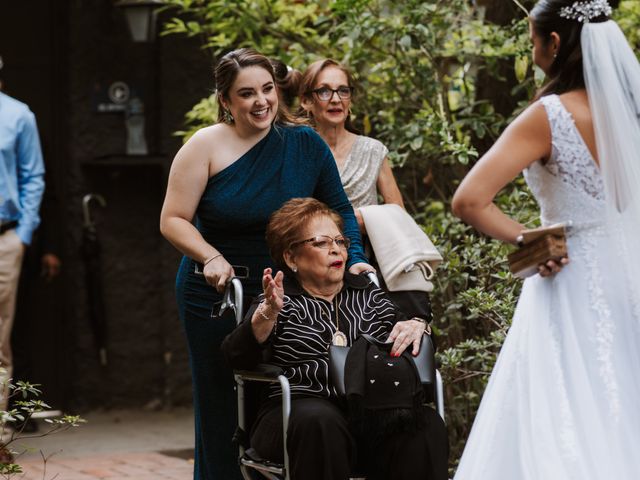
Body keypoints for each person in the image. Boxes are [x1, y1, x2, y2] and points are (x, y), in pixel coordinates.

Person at [159, 48, 373, 479]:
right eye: (246, 93)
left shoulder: (304, 143)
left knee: (284, 392)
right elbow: (172, 220)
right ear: (225, 100)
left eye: (267, 89)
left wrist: (355, 261)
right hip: (217, 291)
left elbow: (341, 209)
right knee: (222, 403)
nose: (261, 101)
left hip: (290, 294)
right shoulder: (204, 146)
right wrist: (210, 257)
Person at [451, 0, 640, 478]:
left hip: (571, 275)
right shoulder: (633, 110)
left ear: (554, 43)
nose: (532, 49)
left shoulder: (550, 115)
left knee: (568, 405)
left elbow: (469, 200)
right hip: (632, 271)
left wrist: (526, 239)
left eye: (533, 39)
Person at [222, 198, 448, 480]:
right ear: (291, 257)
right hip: (297, 412)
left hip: (371, 413)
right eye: (320, 242)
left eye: (340, 241)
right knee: (320, 421)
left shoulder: (369, 295)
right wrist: (267, 314)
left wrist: (418, 325)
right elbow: (236, 357)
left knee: (424, 425)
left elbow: (417, 347)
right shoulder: (278, 301)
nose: (336, 249)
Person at [298, 59, 404, 232]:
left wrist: (367, 219)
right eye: (324, 91)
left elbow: (399, 213)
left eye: (343, 91)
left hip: (367, 254)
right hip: (312, 253)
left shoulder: (373, 150)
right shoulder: (297, 151)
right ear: (306, 101)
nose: (335, 99)